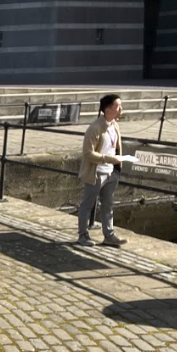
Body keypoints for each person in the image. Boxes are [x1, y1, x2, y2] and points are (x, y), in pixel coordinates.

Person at [77, 93, 128, 248]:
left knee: (108, 204)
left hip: (111, 172)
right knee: (88, 204)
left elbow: (115, 147)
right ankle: (83, 235)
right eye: (118, 106)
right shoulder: (95, 128)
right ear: (107, 109)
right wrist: (109, 159)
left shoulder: (115, 125)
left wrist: (117, 162)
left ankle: (109, 235)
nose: (121, 110)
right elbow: (88, 153)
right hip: (97, 172)